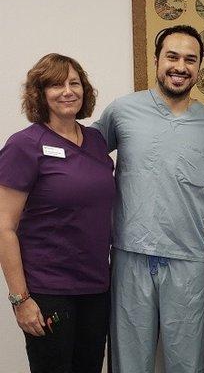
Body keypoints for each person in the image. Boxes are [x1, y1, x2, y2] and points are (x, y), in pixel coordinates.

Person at [93, 25, 204, 373]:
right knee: (129, 363)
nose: (180, 66)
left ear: (198, 67)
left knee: (188, 363)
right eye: (172, 56)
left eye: (190, 60)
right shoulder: (122, 112)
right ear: (156, 60)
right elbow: (80, 155)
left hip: (188, 259)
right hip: (130, 254)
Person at [0, 53, 115, 373]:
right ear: (40, 93)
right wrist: (20, 300)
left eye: (74, 83)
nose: (67, 91)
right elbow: (4, 226)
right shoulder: (25, 145)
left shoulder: (95, 140)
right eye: (55, 84)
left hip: (95, 288)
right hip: (48, 291)